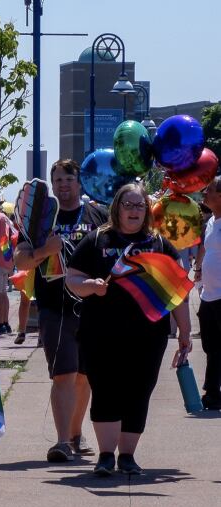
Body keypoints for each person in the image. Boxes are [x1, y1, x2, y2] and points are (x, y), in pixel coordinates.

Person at [66, 183, 192, 476]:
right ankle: (106, 456)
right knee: (106, 390)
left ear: (147, 211)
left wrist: (184, 333)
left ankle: (128, 457)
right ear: (117, 207)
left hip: (148, 335)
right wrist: (90, 286)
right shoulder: (97, 239)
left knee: (138, 391)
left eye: (140, 206)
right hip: (100, 333)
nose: (134, 210)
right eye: (128, 204)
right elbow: (72, 278)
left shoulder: (159, 244)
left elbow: (177, 291)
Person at [14, 158, 107, 463]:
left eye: (69, 179)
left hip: (93, 308)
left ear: (79, 182)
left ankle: (76, 434)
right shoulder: (40, 218)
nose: (64, 185)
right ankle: (62, 441)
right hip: (54, 306)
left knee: (85, 376)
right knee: (63, 375)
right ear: (51, 186)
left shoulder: (98, 214)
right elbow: (21, 261)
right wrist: (44, 250)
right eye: (58, 180)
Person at [195, 176, 221, 410]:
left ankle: (214, 391)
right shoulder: (211, 221)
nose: (204, 192)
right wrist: (200, 268)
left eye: (209, 189)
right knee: (211, 346)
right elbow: (206, 248)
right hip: (209, 294)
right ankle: (213, 392)